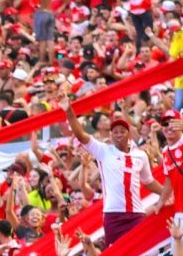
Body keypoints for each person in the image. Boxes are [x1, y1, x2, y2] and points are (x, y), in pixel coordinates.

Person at [63, 102, 168, 243]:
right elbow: (80, 135)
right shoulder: (104, 151)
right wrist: (69, 111)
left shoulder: (141, 156)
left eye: (122, 131)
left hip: (136, 214)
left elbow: (148, 181)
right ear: (111, 135)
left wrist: (167, 193)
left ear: (129, 134)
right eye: (115, 132)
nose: (119, 135)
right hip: (113, 216)